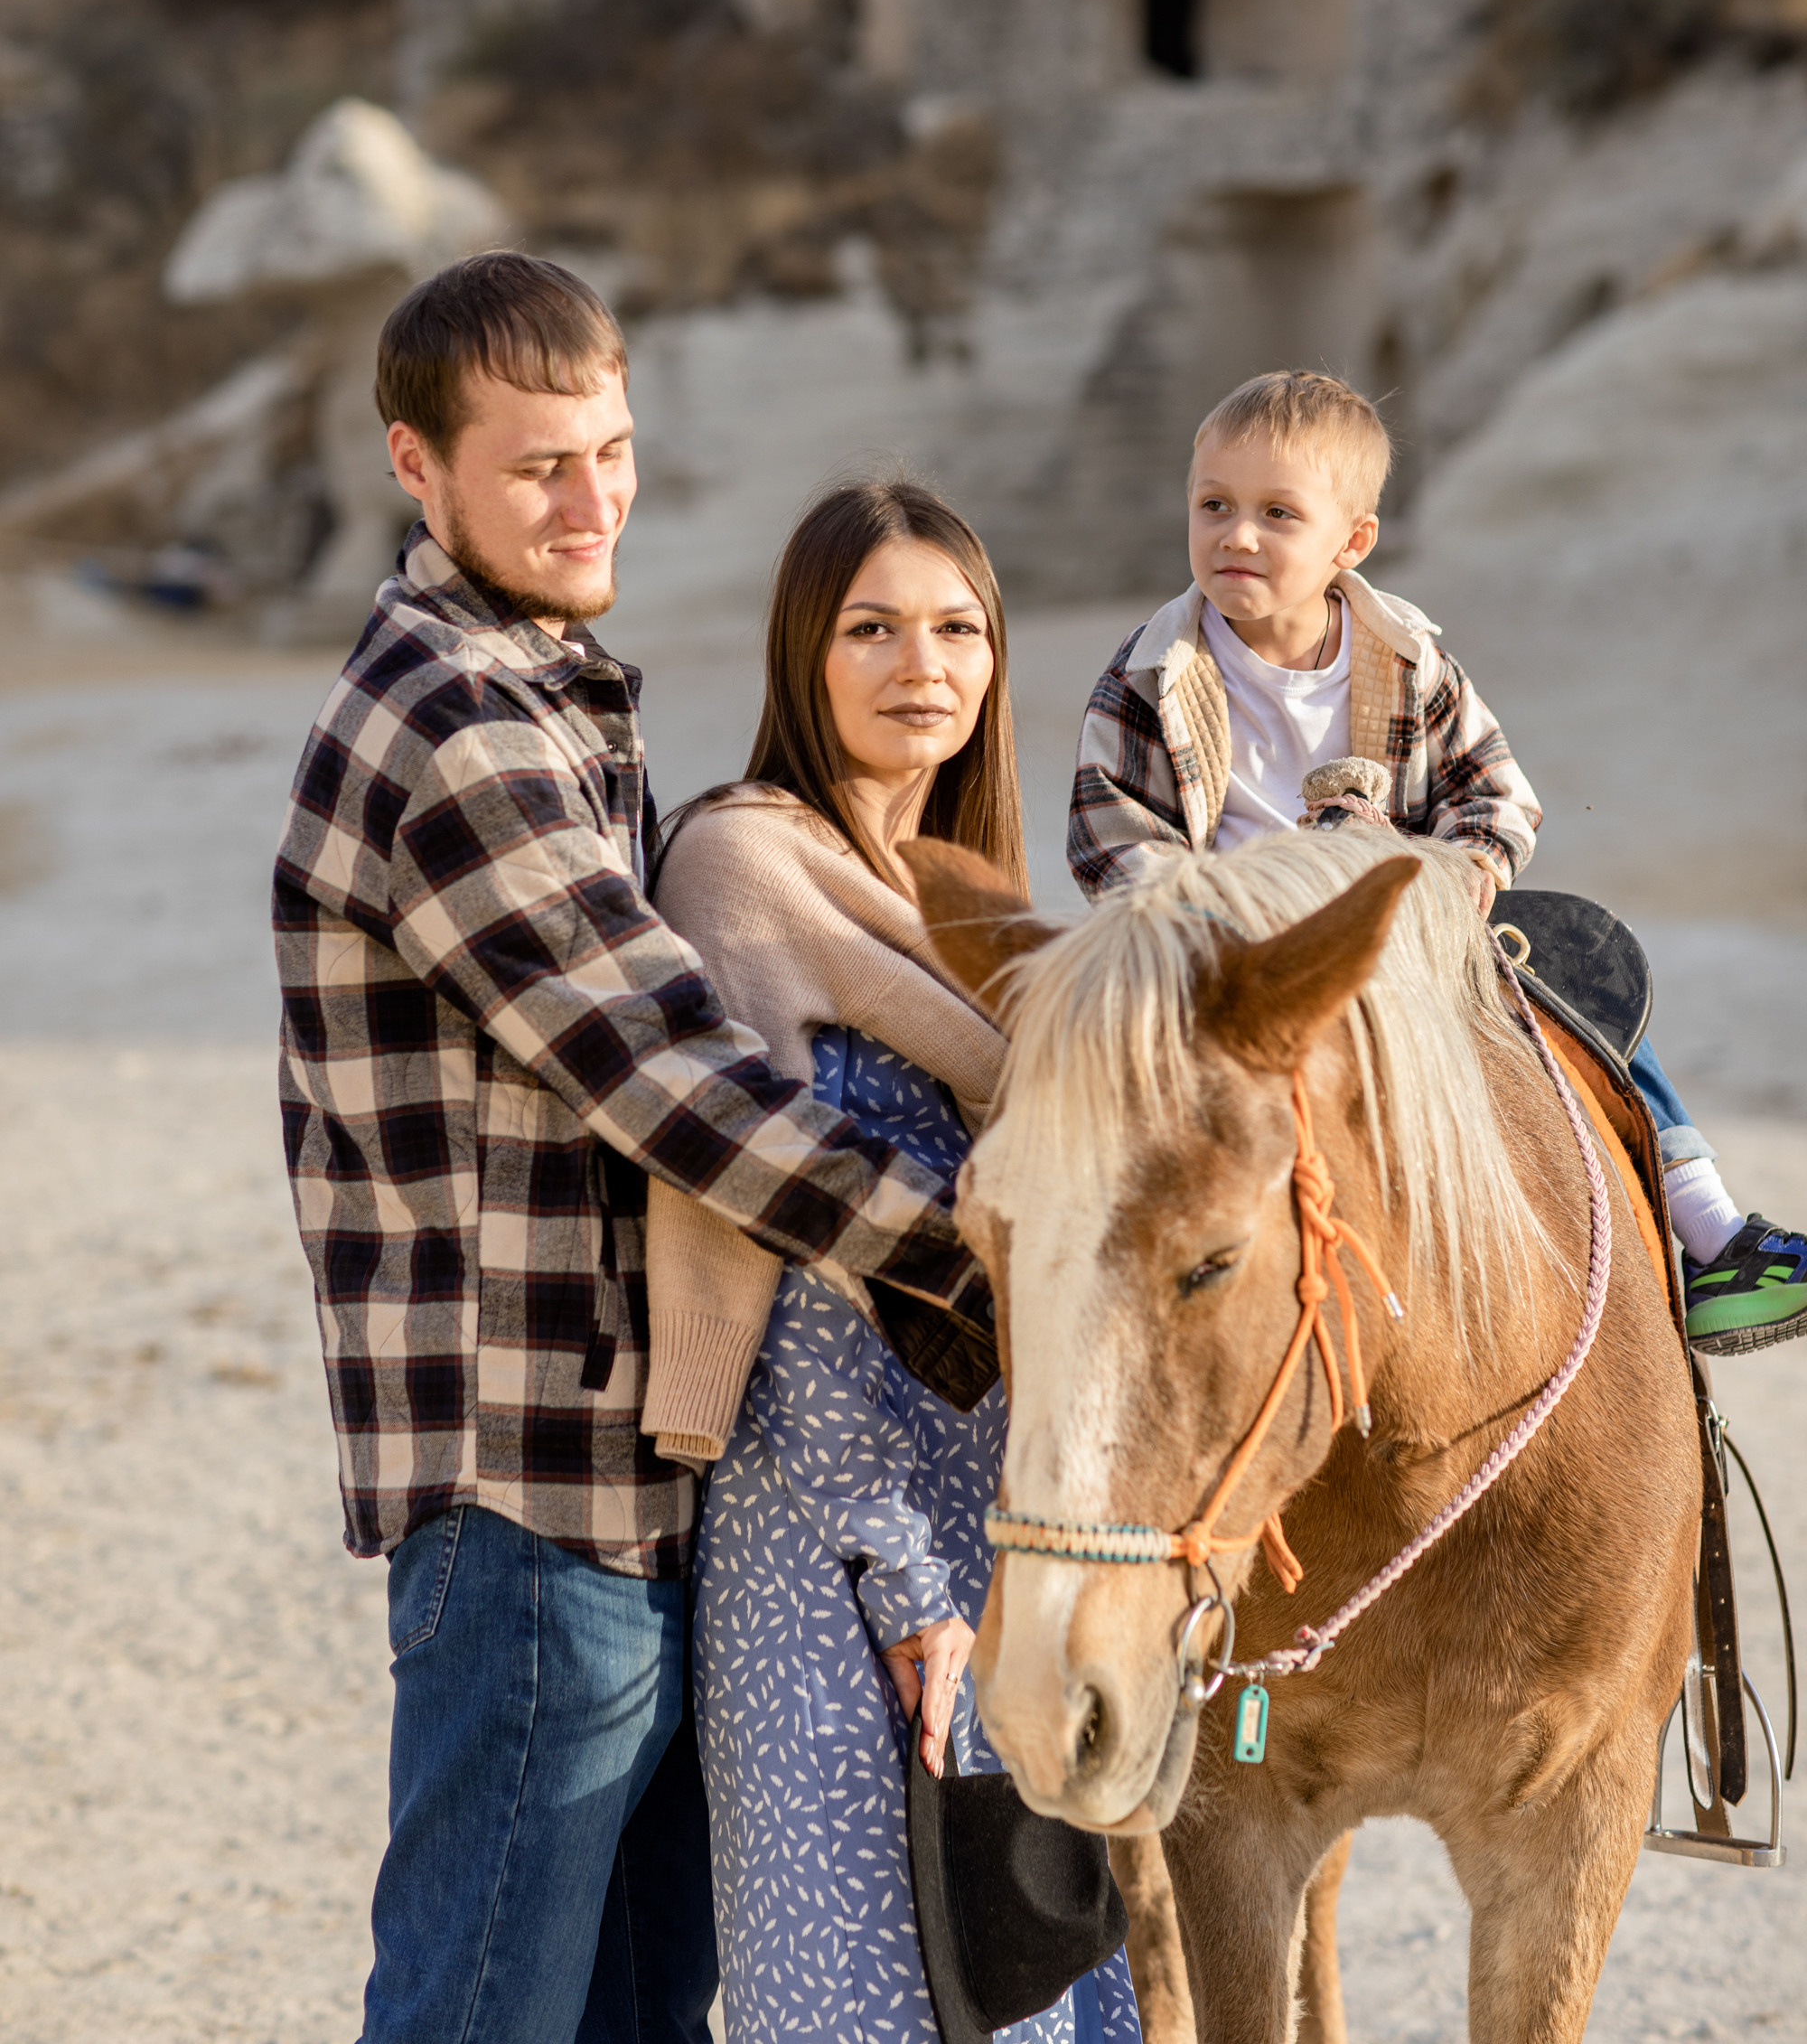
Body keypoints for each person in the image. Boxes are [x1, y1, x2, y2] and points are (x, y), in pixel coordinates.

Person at [274, 258, 993, 2044]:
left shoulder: (555, 692)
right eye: (537, 467)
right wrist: (984, 1257)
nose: (592, 499)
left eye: (611, 450)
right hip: (529, 1497)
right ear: (416, 469)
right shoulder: (451, 722)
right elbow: (674, 1085)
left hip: (627, 1504)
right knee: (484, 2015)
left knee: (640, 2016)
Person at [648, 480, 1141, 2044]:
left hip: (1014, 1554)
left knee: (1032, 1984)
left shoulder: (991, 923)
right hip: (827, 1548)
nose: (919, 665)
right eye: (871, 629)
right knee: (864, 1999)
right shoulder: (743, 868)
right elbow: (785, 1249)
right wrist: (907, 1583)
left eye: (956, 629)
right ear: (806, 651)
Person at [1067, 367, 1807, 1355]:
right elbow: (1108, 836)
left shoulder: (1405, 657)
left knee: (1574, 974)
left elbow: (1495, 793)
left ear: (1349, 542)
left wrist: (1456, 873)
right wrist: (1214, 918)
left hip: (1403, 929)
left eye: (1276, 514)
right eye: (1212, 506)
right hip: (1232, 955)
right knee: (1115, 1069)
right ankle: (1105, 1292)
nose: (1234, 536)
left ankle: (1711, 1230)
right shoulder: (1151, 675)